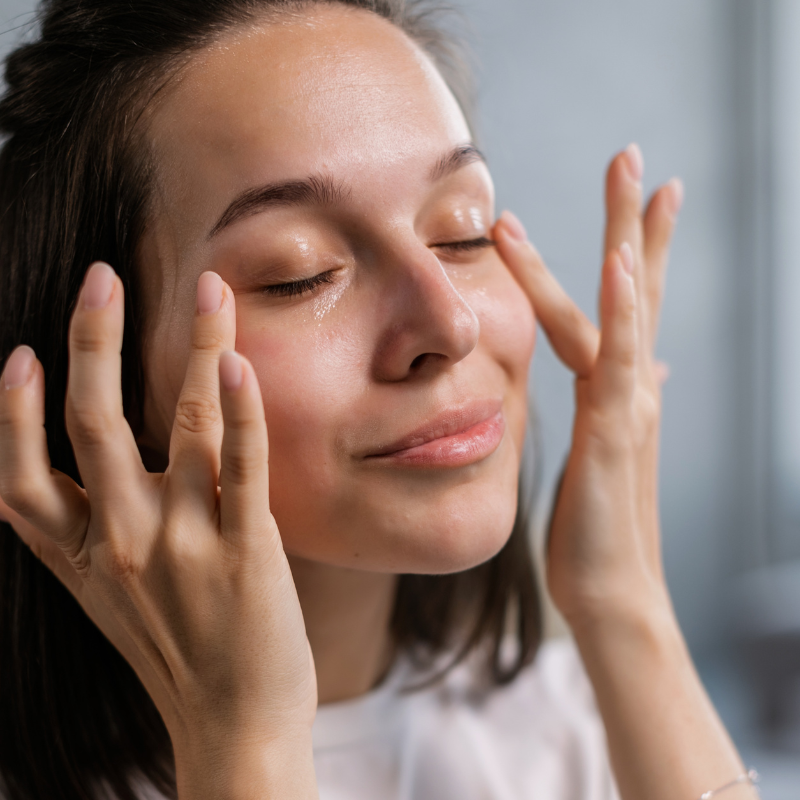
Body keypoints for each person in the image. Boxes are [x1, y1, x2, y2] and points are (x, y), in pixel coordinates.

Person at [0, 1, 759, 799]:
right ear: (104, 389)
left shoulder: (583, 725)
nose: (450, 323)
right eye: (300, 272)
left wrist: (626, 605)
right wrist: (242, 739)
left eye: (463, 230)